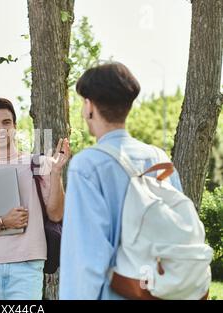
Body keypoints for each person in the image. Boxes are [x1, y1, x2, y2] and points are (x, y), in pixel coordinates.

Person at [59, 62, 183, 300]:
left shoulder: (87, 165)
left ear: (89, 107)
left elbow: (85, 258)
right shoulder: (158, 158)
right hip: (160, 291)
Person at [0, 98, 71, 300]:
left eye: (6, 122)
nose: (0, 129)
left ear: (15, 127)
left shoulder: (39, 164)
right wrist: (2, 222)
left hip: (28, 263)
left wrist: (56, 173)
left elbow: (56, 214)